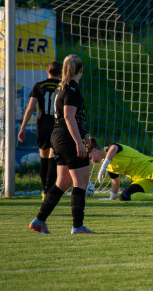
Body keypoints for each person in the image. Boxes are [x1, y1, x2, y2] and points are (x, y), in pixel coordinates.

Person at [29, 54, 94, 234]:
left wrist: (84, 135)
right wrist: (79, 143)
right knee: (80, 183)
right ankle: (77, 226)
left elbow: (73, 118)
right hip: (67, 138)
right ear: (80, 69)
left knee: (62, 182)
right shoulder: (72, 88)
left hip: (57, 137)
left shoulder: (60, 87)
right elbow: (69, 116)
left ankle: (39, 220)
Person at [18, 61, 62, 199]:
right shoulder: (62, 86)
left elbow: (30, 108)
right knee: (53, 159)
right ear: (61, 72)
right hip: (57, 126)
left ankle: (44, 190)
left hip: (42, 126)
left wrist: (23, 127)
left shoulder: (39, 86)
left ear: (47, 71)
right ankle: (50, 191)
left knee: (44, 159)